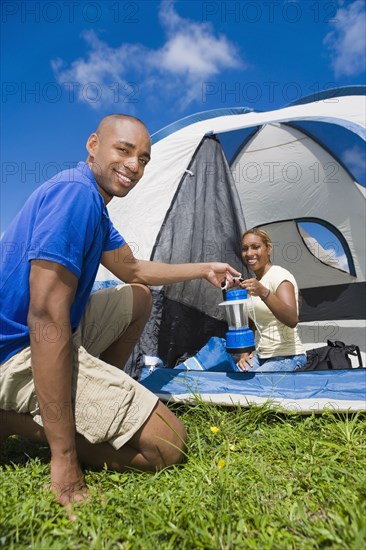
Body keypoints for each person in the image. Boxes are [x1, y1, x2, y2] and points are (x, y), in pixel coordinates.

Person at [0, 114, 240, 511]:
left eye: (143, 159)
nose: (134, 165)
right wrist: (65, 460)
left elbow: (134, 271)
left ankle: (89, 393)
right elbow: (44, 317)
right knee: (166, 444)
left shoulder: (93, 205)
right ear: (93, 144)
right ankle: (14, 421)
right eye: (124, 150)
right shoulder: (75, 195)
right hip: (17, 352)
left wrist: (204, 268)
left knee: (139, 297)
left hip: (48, 335)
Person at [236, 228, 306, 372]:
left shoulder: (279, 276)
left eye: (255, 247)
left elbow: (292, 319)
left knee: (252, 387)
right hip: (262, 356)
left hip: (289, 356)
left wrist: (263, 291)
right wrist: (244, 354)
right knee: (233, 379)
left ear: (268, 249)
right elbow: (251, 322)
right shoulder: (254, 282)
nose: (249, 253)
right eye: (245, 249)